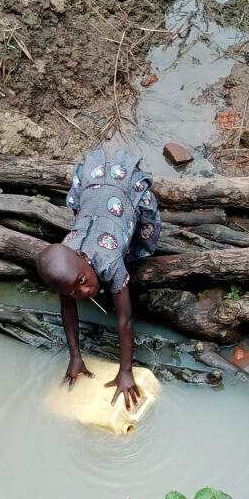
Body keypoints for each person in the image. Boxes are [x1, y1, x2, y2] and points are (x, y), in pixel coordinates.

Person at [35, 148, 161, 409]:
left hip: (121, 193)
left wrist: (125, 371)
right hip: (94, 208)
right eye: (73, 291)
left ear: (83, 260)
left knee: (142, 241)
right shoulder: (66, 269)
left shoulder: (109, 259)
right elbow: (67, 310)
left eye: (82, 282)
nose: (83, 293)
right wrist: (75, 357)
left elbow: (124, 318)